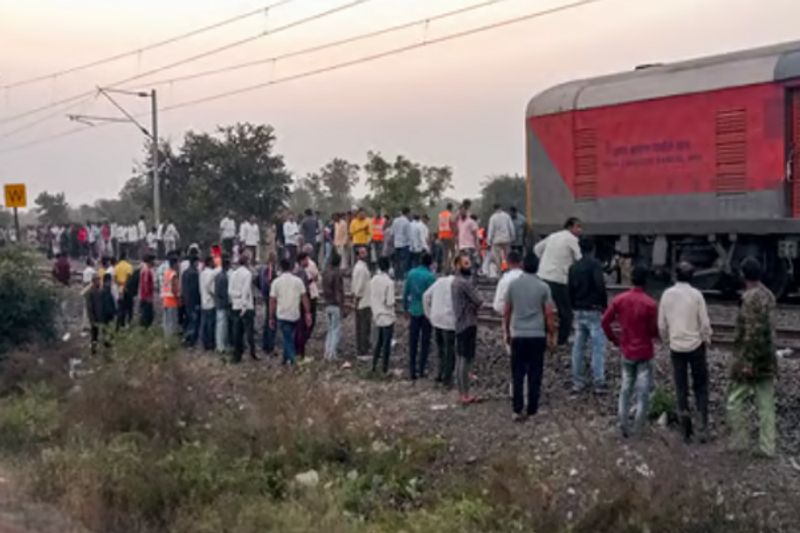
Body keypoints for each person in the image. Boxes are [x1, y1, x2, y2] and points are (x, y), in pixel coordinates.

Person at [727, 257, 777, 457]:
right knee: (766, 403)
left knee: (734, 399)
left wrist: (747, 363)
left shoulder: (749, 299)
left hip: (751, 359)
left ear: (743, 275)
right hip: (768, 359)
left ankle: (739, 441)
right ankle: (768, 446)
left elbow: (751, 333)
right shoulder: (769, 295)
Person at [601, 265, 659, 438]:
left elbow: (604, 321)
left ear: (631, 280)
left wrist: (614, 339)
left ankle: (623, 423)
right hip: (644, 351)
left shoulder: (620, 299)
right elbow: (653, 331)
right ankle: (638, 428)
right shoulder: (650, 304)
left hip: (626, 350)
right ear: (646, 281)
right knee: (643, 391)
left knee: (626, 388)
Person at [658, 262, 713, 443]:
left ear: (676, 275)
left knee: (681, 387)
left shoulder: (666, 295)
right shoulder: (696, 295)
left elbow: (661, 325)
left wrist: (667, 340)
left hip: (676, 347)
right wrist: (706, 338)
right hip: (696, 346)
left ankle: (685, 429)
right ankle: (703, 425)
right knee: (701, 386)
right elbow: (705, 324)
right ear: (692, 276)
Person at [504, 253, 556, 421]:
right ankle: (532, 408)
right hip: (537, 335)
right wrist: (551, 334)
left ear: (523, 266)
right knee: (535, 373)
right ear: (538, 267)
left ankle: (517, 409)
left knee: (517, 373)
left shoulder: (513, 285)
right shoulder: (543, 287)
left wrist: (507, 332)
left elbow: (507, 311)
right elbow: (549, 314)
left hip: (518, 334)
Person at [568, 238, 608, 393]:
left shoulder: (573, 267)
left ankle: (577, 381)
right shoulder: (595, 265)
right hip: (593, 310)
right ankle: (598, 381)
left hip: (578, 309)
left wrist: (573, 305)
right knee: (597, 346)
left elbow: (569, 289)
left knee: (578, 346)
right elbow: (600, 285)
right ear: (593, 249)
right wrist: (604, 305)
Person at [534, 217, 583, 345]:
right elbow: (579, 258)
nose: (580, 230)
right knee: (565, 311)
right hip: (559, 279)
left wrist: (545, 261)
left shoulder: (553, 236)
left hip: (542, 276)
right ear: (570, 227)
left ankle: (542, 338)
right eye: (578, 227)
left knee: (543, 309)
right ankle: (562, 340)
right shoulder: (572, 239)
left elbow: (537, 249)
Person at [452, 252, 483, 404]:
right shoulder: (464, 283)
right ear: (458, 265)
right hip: (468, 323)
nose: (469, 266)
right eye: (466, 263)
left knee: (460, 358)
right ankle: (465, 394)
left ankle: (461, 393)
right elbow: (478, 300)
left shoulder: (455, 282)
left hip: (459, 323)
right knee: (466, 359)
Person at [269, 258, 312, 365]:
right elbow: (304, 298)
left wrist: (271, 316)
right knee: (288, 336)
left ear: (280, 268)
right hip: (294, 313)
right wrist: (307, 313)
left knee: (287, 337)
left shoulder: (276, 282)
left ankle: (292, 359)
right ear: (292, 268)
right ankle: (287, 358)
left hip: (282, 314)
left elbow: (272, 301)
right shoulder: (298, 281)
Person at [404, 252, 436, 381]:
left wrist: (405, 308)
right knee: (425, 341)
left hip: (414, 310)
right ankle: (422, 369)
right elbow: (432, 297)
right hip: (426, 313)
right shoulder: (430, 277)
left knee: (413, 340)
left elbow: (406, 292)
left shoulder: (411, 274)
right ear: (430, 263)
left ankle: (412, 369)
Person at [423, 271, 456, 388]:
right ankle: (448, 379)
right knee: (450, 351)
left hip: (436, 320)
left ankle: (439, 373)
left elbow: (425, 296)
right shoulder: (456, 283)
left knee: (440, 349)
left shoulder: (439, 282)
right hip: (449, 322)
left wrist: (429, 314)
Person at [229, 255, 257, 363]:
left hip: (235, 305)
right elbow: (245, 291)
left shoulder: (233, 274)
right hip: (246, 306)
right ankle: (252, 353)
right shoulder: (247, 274)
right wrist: (243, 303)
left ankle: (237, 355)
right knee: (249, 332)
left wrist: (237, 295)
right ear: (247, 263)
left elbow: (230, 291)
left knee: (237, 332)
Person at [370, 257, 396, 374]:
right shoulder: (389, 282)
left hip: (376, 314)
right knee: (386, 344)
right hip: (387, 316)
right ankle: (384, 368)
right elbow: (390, 302)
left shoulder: (373, 280)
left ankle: (374, 365)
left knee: (378, 343)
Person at [322, 253, 346, 360]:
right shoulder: (337, 274)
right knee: (336, 329)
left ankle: (327, 352)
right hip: (335, 304)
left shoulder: (325, 273)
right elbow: (338, 291)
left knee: (329, 329)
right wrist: (342, 306)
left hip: (327, 303)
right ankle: (332, 353)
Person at [86, 273, 116, 354]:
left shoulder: (100, 291)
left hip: (101, 316)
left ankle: (106, 346)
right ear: (93, 281)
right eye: (97, 280)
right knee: (94, 334)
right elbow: (89, 307)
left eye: (99, 280)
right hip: (94, 317)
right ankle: (94, 350)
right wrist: (92, 319)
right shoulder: (91, 292)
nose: (99, 282)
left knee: (104, 331)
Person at [352, 246, 372, 357]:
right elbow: (359, 287)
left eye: (365, 252)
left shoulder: (361, 267)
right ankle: (363, 350)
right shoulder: (361, 268)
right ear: (358, 255)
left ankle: (362, 349)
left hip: (364, 301)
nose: (365, 254)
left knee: (362, 327)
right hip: (363, 301)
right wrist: (357, 299)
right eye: (362, 253)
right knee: (364, 327)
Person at [256, 252, 278, 355]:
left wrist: (261, 290)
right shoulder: (270, 269)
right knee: (271, 319)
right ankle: (270, 345)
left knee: (267, 320)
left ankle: (265, 344)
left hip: (265, 295)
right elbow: (268, 282)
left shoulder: (262, 268)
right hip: (270, 296)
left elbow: (256, 280)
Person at [487, 204, 515, 278]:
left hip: (496, 240)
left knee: (497, 257)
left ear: (494, 209)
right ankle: (509, 271)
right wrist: (513, 237)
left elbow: (491, 230)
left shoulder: (492, 217)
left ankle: (499, 273)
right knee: (507, 256)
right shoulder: (507, 216)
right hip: (506, 239)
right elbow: (511, 227)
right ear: (501, 208)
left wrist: (489, 241)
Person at [493, 250, 523, 315]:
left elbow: (497, 305)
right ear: (521, 263)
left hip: (510, 315)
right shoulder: (527, 278)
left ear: (508, 263)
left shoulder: (504, 280)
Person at [181, 254, 201, 347]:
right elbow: (195, 289)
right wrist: (198, 302)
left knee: (188, 320)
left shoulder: (185, 272)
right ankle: (191, 341)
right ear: (195, 262)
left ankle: (186, 338)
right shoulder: (194, 273)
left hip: (186, 300)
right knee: (194, 322)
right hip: (193, 301)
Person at [199, 256, 218, 351]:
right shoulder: (211, 273)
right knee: (211, 324)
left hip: (204, 301)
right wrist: (216, 295)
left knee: (204, 324)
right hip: (211, 302)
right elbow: (211, 288)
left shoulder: (202, 273)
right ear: (210, 262)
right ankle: (210, 343)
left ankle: (204, 343)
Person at [214, 255, 232, 354]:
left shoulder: (218, 276)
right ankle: (221, 346)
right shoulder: (224, 277)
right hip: (222, 304)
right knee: (222, 326)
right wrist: (228, 302)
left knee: (220, 325)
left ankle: (220, 345)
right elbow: (224, 292)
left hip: (218, 303)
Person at [455, 204, 479, 274]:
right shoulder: (459, 222)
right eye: (460, 210)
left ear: (466, 211)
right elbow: (452, 220)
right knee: (463, 266)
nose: (461, 212)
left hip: (469, 246)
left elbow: (475, 235)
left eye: (463, 210)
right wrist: (457, 246)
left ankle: (472, 276)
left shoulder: (471, 222)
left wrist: (476, 246)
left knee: (469, 265)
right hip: (461, 246)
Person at [390, 207, 412, 280]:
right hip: (404, 245)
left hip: (396, 244)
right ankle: (402, 278)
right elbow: (408, 235)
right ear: (408, 213)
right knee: (404, 262)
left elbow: (392, 233)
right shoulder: (407, 222)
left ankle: (397, 277)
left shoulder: (395, 220)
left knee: (397, 262)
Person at [115, 251, 135, 328]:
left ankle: (121, 323)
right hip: (127, 289)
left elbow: (115, 278)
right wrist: (126, 286)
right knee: (129, 307)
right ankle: (129, 322)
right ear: (126, 257)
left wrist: (120, 285)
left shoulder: (117, 266)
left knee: (121, 307)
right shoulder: (129, 266)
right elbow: (129, 277)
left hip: (120, 288)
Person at [438, 203, 456, 274]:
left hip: (442, 235)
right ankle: (450, 266)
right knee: (453, 251)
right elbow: (452, 224)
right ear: (451, 208)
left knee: (445, 253)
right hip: (449, 235)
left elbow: (439, 225)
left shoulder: (440, 215)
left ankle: (445, 269)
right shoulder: (450, 215)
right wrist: (454, 234)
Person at [139, 254, 155, 328]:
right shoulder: (146, 270)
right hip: (146, 297)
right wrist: (148, 296)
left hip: (144, 296)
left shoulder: (144, 269)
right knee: (147, 316)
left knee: (145, 315)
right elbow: (145, 283)